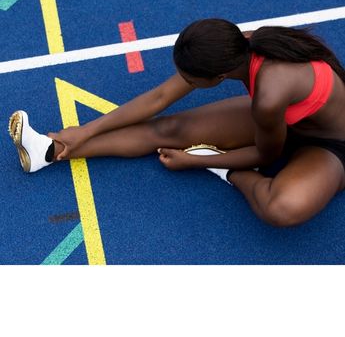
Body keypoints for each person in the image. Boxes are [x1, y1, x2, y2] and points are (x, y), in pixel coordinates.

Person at [9, 19, 345, 227]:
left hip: (329, 147)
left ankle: (231, 174)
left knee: (280, 208)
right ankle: (48, 151)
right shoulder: (234, 46)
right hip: (286, 121)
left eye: (190, 79)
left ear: (220, 76)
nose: (182, 82)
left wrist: (199, 160)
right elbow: (158, 99)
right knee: (167, 128)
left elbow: (265, 155)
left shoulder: (270, 96)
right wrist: (86, 130)